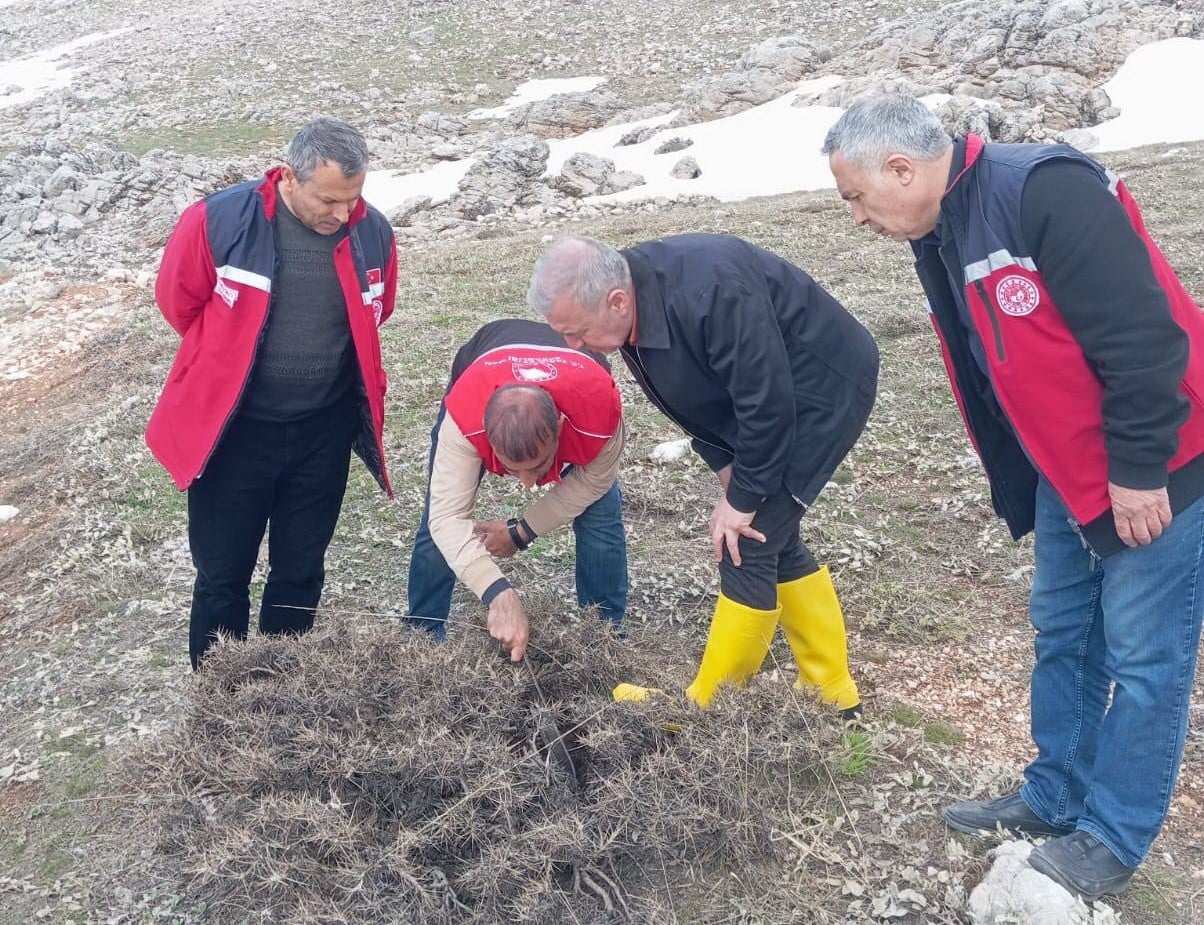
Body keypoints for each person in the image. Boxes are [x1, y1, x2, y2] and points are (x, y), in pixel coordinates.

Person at [824, 92, 1204, 902]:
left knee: (1144, 657)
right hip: (1065, 471)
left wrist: (1140, 469)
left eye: (855, 197)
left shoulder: (1045, 188)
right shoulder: (945, 226)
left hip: (1156, 462)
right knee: (1064, 629)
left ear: (901, 168)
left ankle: (1113, 836)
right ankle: (1054, 793)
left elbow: (1147, 337)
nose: (855, 217)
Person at [527, 234, 878, 715]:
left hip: (820, 393)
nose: (569, 344)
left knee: (746, 543)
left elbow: (768, 403)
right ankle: (833, 692)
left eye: (575, 331)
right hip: (766, 404)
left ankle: (704, 713)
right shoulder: (627, 309)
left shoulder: (710, 291)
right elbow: (693, 398)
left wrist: (745, 495)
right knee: (773, 534)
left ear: (616, 300)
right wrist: (727, 464)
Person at [146, 118, 397, 670]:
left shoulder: (372, 230)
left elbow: (381, 309)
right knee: (222, 574)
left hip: (320, 433)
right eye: (328, 200)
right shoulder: (219, 221)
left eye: (351, 201)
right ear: (289, 177)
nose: (341, 214)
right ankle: (218, 696)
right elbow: (178, 304)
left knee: (301, 570)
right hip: (234, 434)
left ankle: (281, 690)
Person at [403, 318, 628, 662]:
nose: (526, 484)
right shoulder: (463, 417)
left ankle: (604, 638)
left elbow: (592, 483)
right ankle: (421, 633)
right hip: (486, 353)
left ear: (562, 428)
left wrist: (521, 532)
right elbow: (447, 517)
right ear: (483, 436)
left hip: (578, 376)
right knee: (438, 511)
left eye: (537, 468)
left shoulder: (599, 411)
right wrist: (498, 593)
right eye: (511, 468)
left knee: (601, 507)